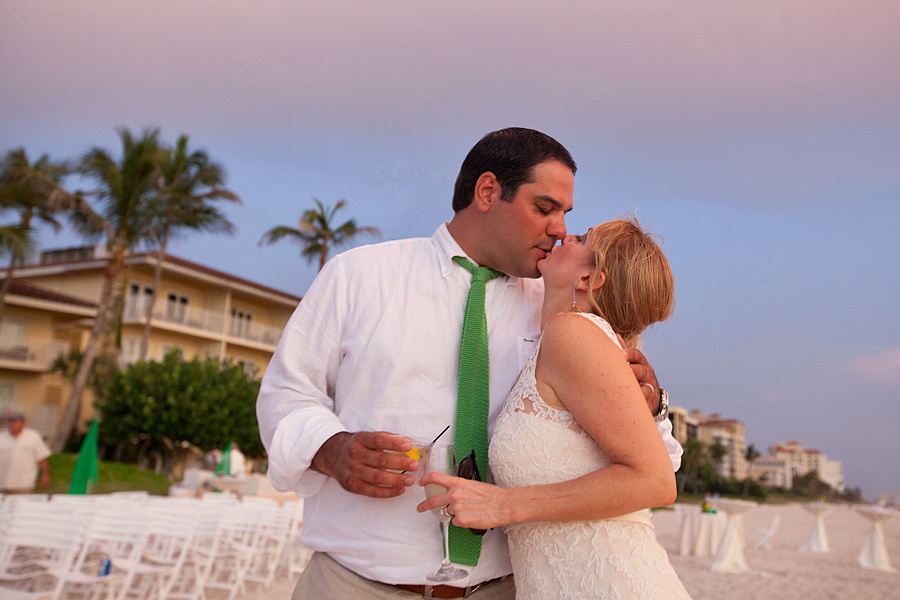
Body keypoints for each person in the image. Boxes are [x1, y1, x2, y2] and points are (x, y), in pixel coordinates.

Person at [256, 128, 681, 600]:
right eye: (544, 208)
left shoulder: (568, 308)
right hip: (355, 584)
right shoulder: (359, 276)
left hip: (502, 589)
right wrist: (331, 450)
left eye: (566, 215)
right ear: (487, 192)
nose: (560, 229)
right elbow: (285, 395)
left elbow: (653, 460)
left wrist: (655, 402)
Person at [417, 218, 691, 598]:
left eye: (580, 239)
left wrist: (502, 505)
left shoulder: (573, 332)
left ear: (590, 280)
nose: (564, 233)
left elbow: (655, 481)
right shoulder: (561, 341)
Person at [0, 411, 51, 494]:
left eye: (15, 422)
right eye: (10, 422)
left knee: (20, 506)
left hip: (23, 484)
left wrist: (45, 475)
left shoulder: (33, 437)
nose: (12, 424)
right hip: (2, 483)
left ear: (23, 423)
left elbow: (42, 457)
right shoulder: (2, 437)